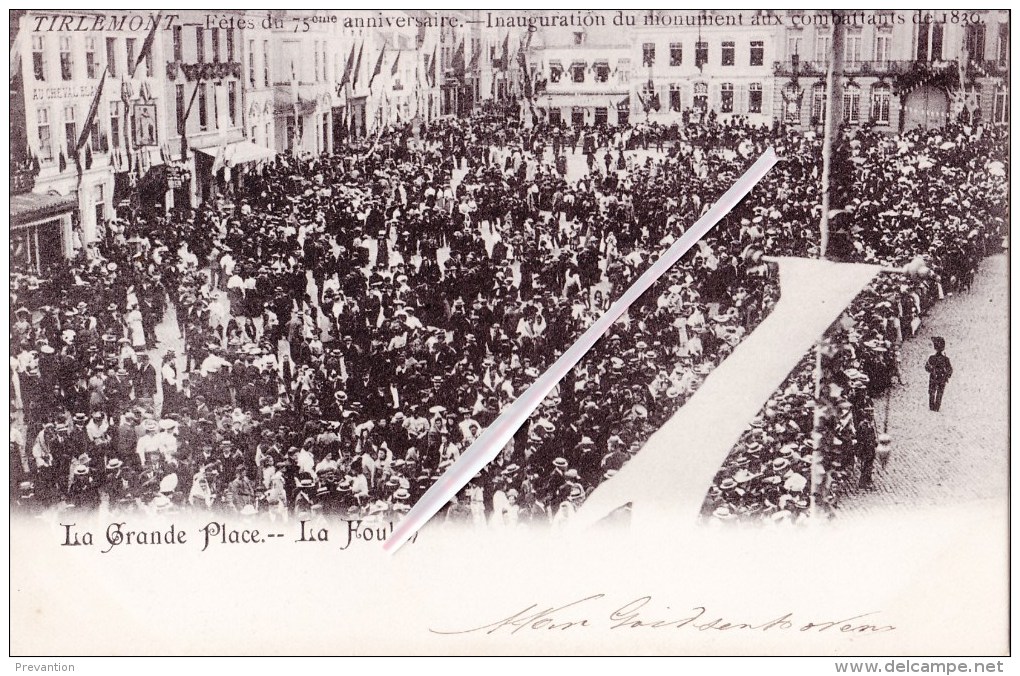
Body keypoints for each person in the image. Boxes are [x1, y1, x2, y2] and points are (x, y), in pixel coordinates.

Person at [925, 336, 953, 412]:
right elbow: (950, 369)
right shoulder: (946, 359)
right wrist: (947, 375)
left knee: (931, 391)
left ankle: (931, 406)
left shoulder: (932, 358)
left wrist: (931, 370)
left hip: (933, 377)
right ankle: (937, 406)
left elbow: (927, 367)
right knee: (940, 392)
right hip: (942, 377)